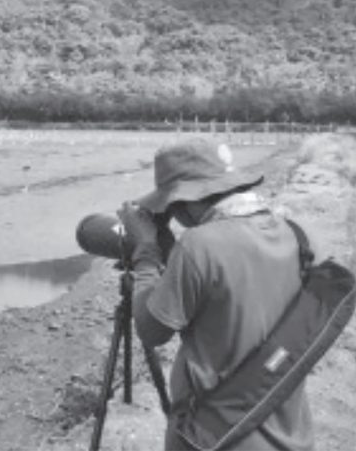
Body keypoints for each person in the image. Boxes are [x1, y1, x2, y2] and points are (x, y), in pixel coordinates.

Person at [119, 138, 314, 451]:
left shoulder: (198, 245)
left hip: (214, 436)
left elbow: (151, 331)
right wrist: (168, 245)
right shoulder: (292, 233)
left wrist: (146, 253)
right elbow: (224, 284)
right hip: (286, 429)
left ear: (185, 200)